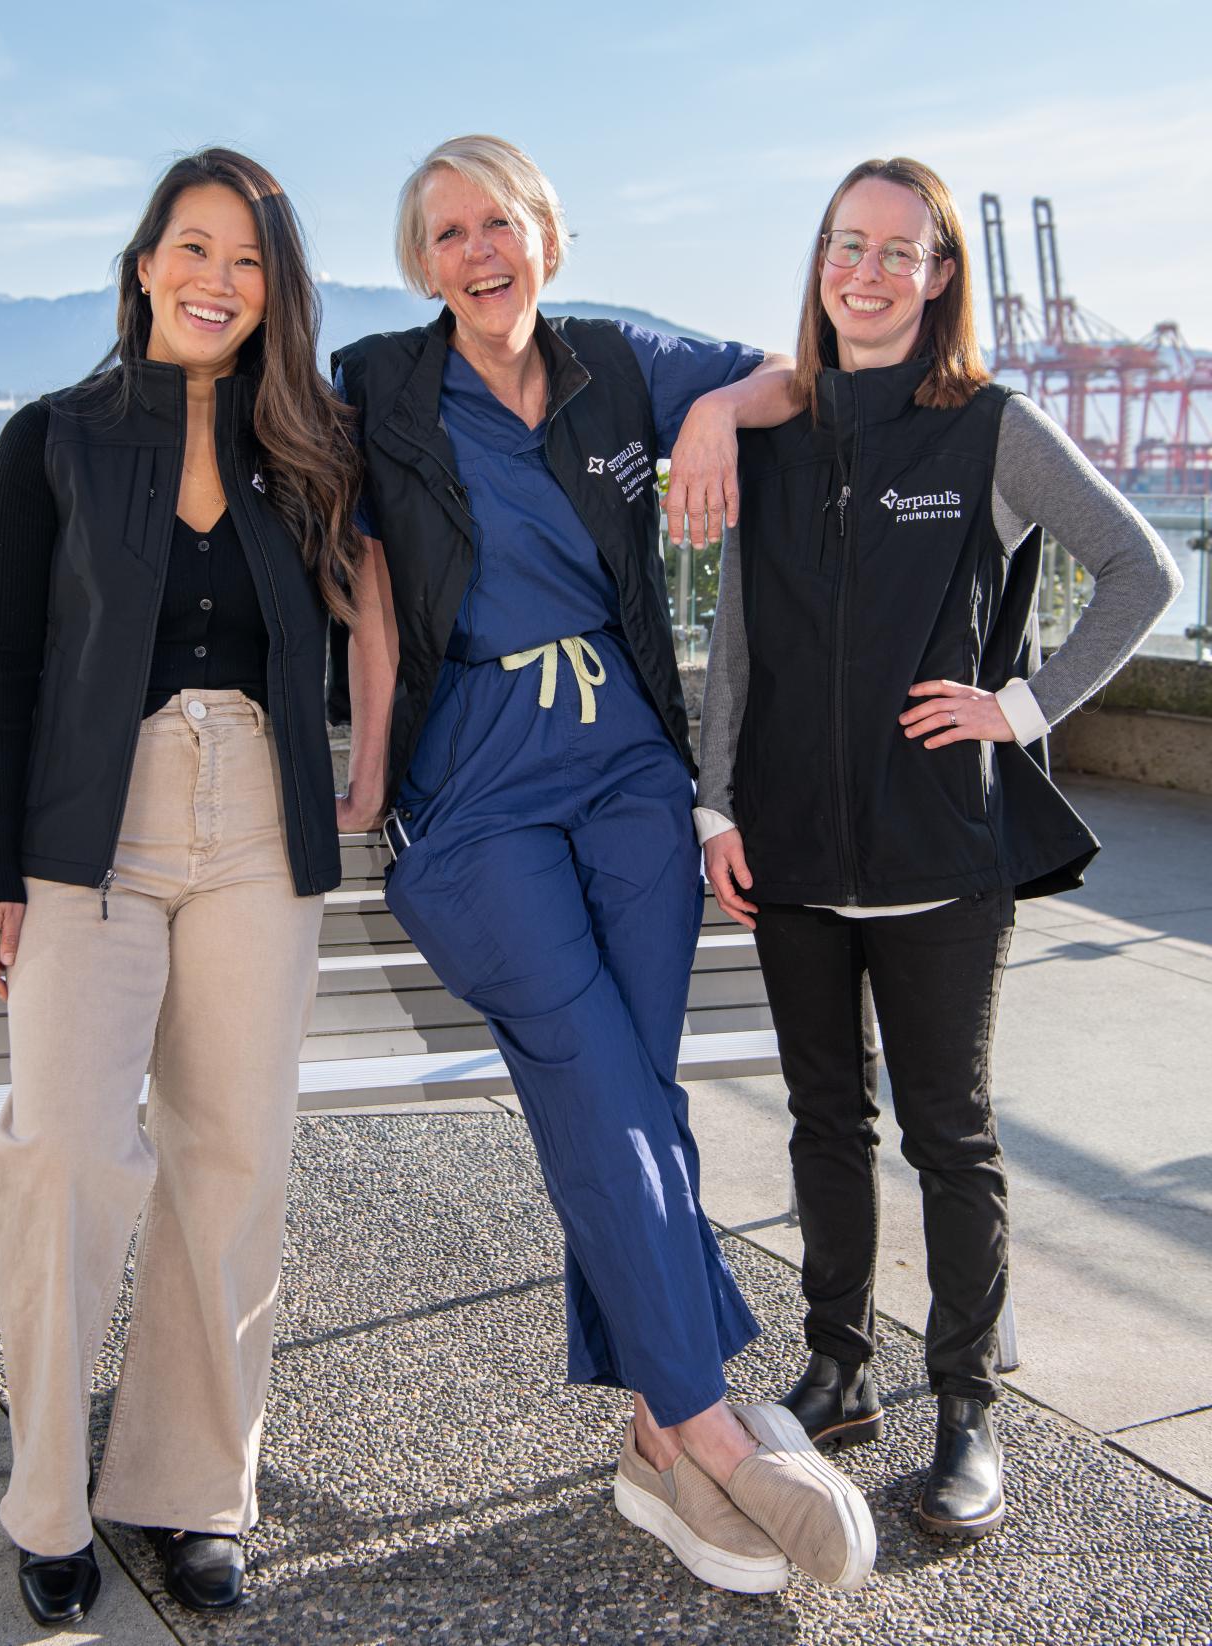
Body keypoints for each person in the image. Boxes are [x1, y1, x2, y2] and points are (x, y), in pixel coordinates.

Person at [335, 134, 877, 1597]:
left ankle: (654, 1431)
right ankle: (710, 1426)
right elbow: (336, 554)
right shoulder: (379, 385)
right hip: (480, 787)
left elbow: (799, 372)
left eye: (496, 221)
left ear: (548, 237)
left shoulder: (620, 361)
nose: (475, 250)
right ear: (422, 265)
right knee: (590, 1064)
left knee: (635, 1086)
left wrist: (716, 425)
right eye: (444, 233)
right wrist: (369, 763)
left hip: (633, 767)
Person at [697, 156, 1183, 1541]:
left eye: (897, 251)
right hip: (788, 849)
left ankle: (967, 1408)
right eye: (846, 245)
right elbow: (736, 633)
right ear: (822, 261)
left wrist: (1019, 709)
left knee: (950, 1138)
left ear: (941, 275)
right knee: (822, 1123)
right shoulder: (774, 436)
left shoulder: (991, 429)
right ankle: (840, 1366)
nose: (865, 269)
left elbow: (1146, 569)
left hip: (939, 856)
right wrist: (714, 802)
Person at [0, 148, 365, 1626]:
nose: (217, 280)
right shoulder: (50, 437)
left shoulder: (307, 443)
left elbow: (373, 611)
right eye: (193, 249)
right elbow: (1, 670)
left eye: (249, 261)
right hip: (92, 826)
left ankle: (197, 1489)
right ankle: (50, 1499)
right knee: (60, 1153)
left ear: (275, 292)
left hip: (261, 813)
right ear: (143, 265)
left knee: (232, 1158)